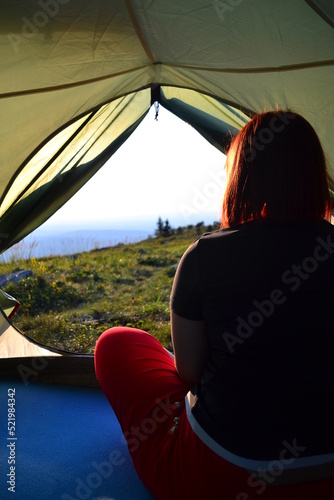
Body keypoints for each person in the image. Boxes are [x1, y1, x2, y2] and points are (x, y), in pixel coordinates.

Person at [94, 110, 334, 499]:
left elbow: (188, 373)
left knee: (115, 343)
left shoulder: (206, 256)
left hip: (214, 477)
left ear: (242, 177)